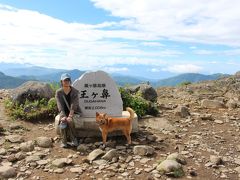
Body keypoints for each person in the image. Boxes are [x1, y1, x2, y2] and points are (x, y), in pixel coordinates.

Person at [55, 73, 81, 148]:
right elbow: (59, 105)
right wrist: (63, 116)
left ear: (70, 81)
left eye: (68, 80)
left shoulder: (75, 92)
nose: (67, 81)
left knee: (70, 121)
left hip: (73, 111)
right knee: (63, 121)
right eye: (65, 80)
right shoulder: (58, 92)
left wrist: (70, 116)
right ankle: (64, 141)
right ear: (61, 82)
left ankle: (74, 139)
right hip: (63, 112)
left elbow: (74, 104)